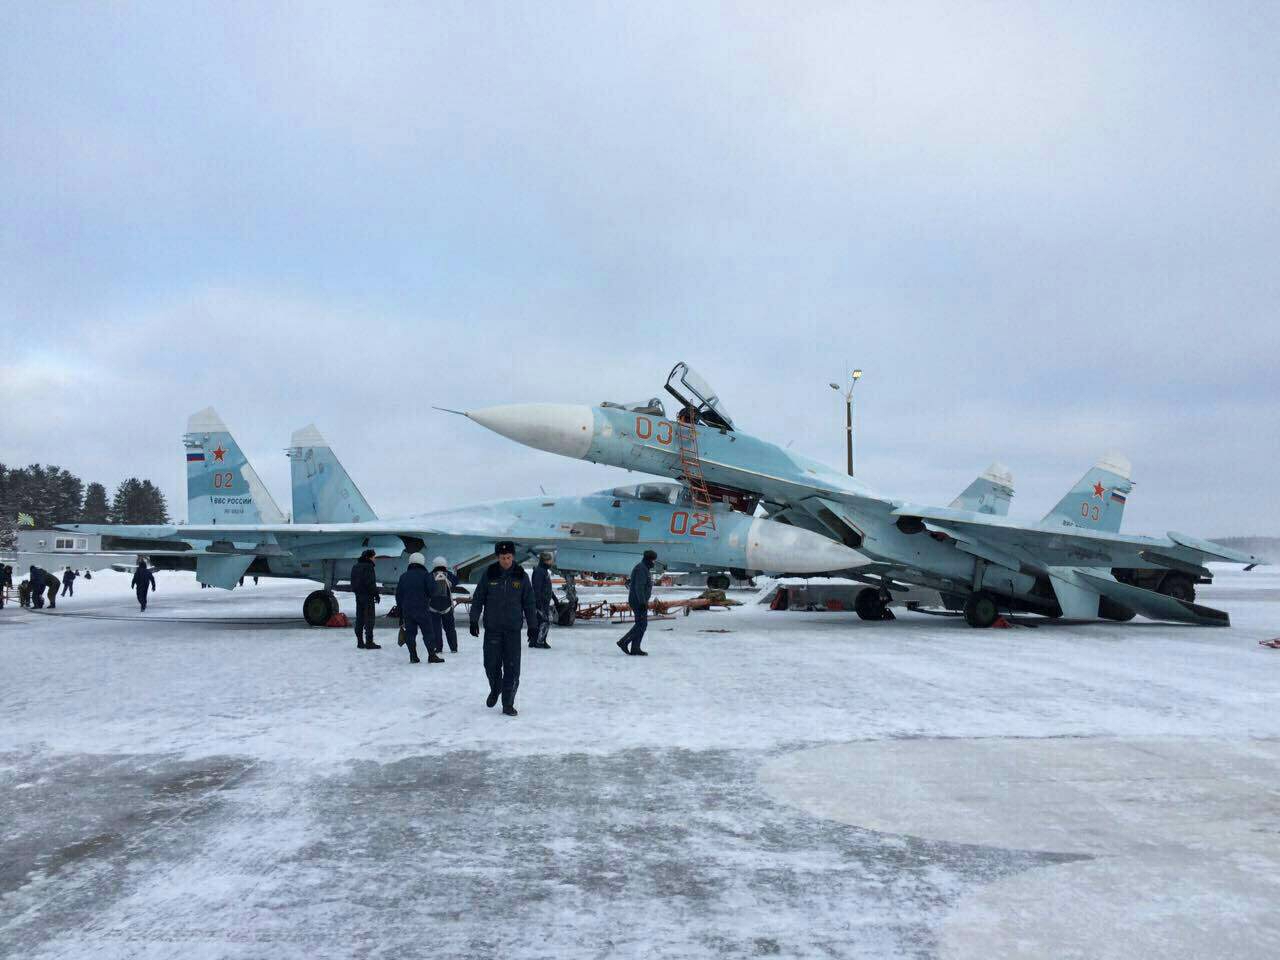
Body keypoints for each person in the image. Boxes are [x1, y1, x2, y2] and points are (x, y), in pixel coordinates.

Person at [469, 541, 536, 716]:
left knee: (512, 669)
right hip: (493, 629)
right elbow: (478, 598)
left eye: (508, 557)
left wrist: (533, 626)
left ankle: (508, 703)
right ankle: (496, 687)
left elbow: (529, 603)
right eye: (502, 558)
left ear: (513, 557)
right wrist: (473, 620)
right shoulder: (489, 574)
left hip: (512, 631)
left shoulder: (521, 576)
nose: (506, 561)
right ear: (497, 557)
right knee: (490, 665)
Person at [395, 552, 440, 664]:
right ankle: (432, 655)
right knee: (428, 632)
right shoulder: (426, 575)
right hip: (422, 609)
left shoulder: (403, 576)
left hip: (407, 610)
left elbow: (398, 595)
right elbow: (433, 591)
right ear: (422, 562)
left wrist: (400, 611)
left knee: (410, 633)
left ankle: (413, 656)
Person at [617, 550, 658, 656]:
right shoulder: (641, 569)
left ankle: (635, 648)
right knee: (641, 624)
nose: (654, 562)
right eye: (653, 560)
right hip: (638, 601)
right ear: (649, 560)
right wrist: (642, 603)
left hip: (639, 600)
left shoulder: (644, 568)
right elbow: (639, 587)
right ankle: (623, 642)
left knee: (640, 624)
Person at [349, 549, 382, 650]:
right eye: (373, 557)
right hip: (368, 596)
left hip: (358, 596)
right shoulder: (369, 567)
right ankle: (369, 642)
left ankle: (360, 641)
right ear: (369, 557)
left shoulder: (355, 566)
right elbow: (370, 583)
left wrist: (357, 592)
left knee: (360, 618)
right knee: (369, 619)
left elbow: (353, 582)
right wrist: (376, 594)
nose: (374, 559)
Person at [426, 557, 458, 656]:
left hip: (433, 607)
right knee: (450, 628)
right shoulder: (449, 575)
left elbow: (426, 587)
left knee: (436, 629)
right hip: (447, 607)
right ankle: (453, 648)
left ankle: (438, 648)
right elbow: (456, 581)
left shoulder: (429, 576)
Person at [530, 551, 555, 649]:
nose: (551, 563)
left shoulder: (544, 571)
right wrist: (539, 604)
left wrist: (554, 598)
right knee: (544, 621)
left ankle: (534, 641)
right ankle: (539, 641)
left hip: (544, 601)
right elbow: (537, 589)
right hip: (541, 602)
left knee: (540, 621)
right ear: (545, 561)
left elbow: (547, 587)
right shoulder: (539, 571)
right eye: (550, 561)